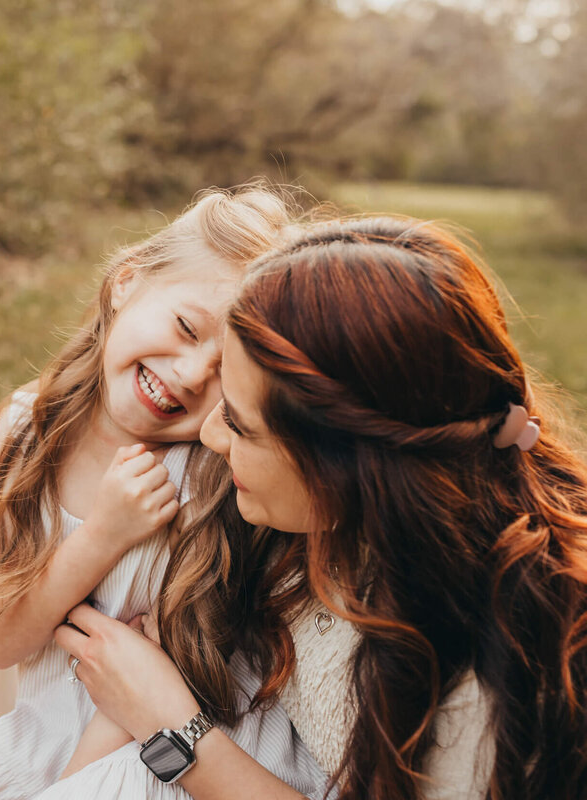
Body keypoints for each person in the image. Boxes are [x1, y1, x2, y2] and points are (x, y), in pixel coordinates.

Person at [55, 216, 587, 799]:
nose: (209, 435)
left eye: (239, 422)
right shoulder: (306, 521)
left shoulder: (502, 681)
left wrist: (175, 729)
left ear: (346, 469)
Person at [0, 185, 329, 799]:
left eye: (228, 370)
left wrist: (64, 787)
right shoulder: (27, 427)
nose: (192, 375)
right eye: (187, 327)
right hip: (46, 733)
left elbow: (163, 683)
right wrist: (104, 533)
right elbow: (0, 638)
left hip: (165, 751)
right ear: (127, 282)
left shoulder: (213, 480)